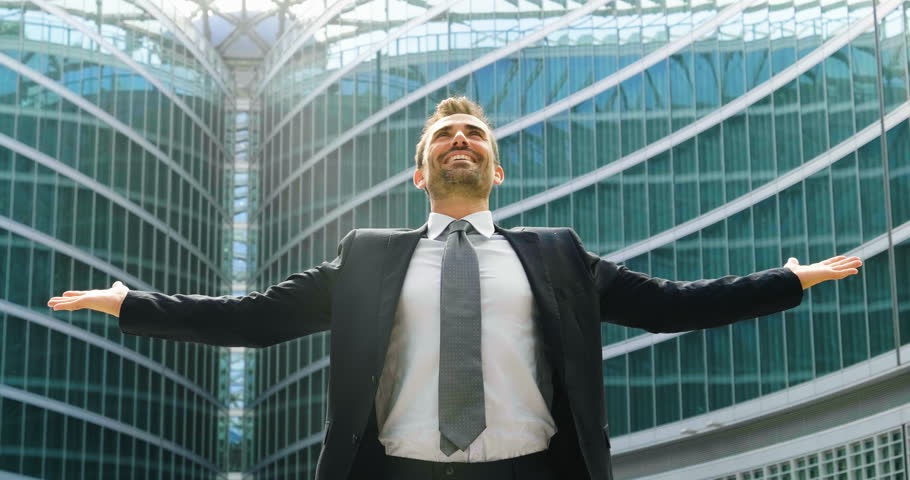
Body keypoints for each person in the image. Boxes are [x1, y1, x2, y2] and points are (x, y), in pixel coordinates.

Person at [47, 97, 863, 480]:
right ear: (422, 170)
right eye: (445, 136)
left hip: (534, 474)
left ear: (496, 168)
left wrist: (786, 281)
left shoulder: (557, 254)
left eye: (473, 134)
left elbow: (672, 305)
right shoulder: (368, 256)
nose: (460, 141)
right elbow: (259, 319)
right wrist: (131, 304)